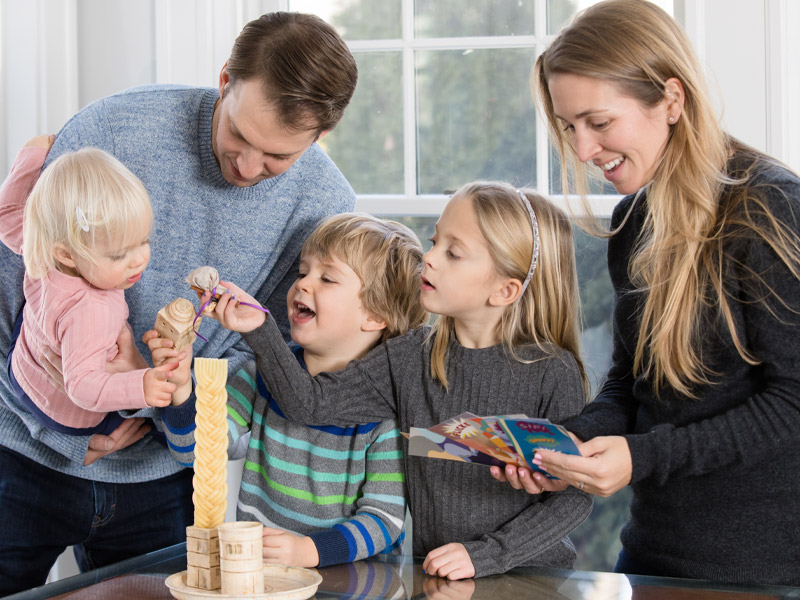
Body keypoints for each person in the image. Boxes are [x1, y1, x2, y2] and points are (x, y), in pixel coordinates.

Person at [0, 11, 357, 594]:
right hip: (26, 452)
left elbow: (275, 359)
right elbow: (14, 278)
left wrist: (168, 403)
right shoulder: (113, 130)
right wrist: (63, 428)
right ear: (225, 80)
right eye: (239, 135)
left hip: (164, 477)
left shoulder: (324, 205)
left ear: (318, 136)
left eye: (276, 158)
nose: (247, 167)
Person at [493, 0, 800, 586]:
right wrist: (570, 444)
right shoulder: (634, 221)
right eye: (569, 127)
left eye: (599, 122)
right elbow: (633, 382)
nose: (583, 150)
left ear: (671, 100)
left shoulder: (771, 211)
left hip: (769, 571)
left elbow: (793, 402)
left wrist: (642, 457)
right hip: (655, 554)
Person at [201, 181, 594, 580]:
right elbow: (309, 405)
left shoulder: (553, 373)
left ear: (504, 290)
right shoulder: (409, 357)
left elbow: (575, 497)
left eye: (453, 253)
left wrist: (487, 555)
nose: (430, 258)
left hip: (532, 579)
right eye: (434, 242)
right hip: (439, 578)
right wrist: (260, 329)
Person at [151, 213, 427, 569]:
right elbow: (194, 452)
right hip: (266, 576)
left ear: (375, 315)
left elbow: (384, 520)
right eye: (302, 272)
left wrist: (310, 551)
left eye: (326, 278)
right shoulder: (259, 376)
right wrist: (180, 387)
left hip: (351, 582)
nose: (302, 284)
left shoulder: (386, 411)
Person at [0, 138, 181, 436]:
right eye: (119, 255)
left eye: (144, 240)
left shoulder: (42, 247)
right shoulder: (91, 311)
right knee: (150, 430)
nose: (140, 260)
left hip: (21, 368)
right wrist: (140, 386)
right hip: (64, 412)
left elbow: (6, 212)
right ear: (67, 255)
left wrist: (32, 153)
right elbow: (82, 386)